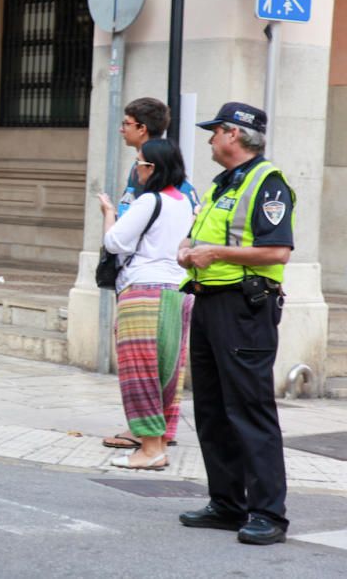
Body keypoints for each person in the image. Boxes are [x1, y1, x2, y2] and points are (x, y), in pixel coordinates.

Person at [176, 102, 294, 546]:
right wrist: (189, 248)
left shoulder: (268, 182)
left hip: (245, 308)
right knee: (211, 408)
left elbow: (278, 251)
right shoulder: (223, 184)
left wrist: (215, 254)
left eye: (215, 131)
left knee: (249, 409)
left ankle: (268, 513)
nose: (210, 139)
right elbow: (201, 235)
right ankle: (227, 504)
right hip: (208, 302)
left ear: (234, 135)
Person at [103, 97, 199, 452]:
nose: (122, 129)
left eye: (127, 123)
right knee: (168, 362)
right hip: (174, 284)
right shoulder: (181, 190)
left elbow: (119, 239)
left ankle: (147, 440)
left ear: (142, 129)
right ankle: (160, 431)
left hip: (145, 283)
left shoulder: (151, 185)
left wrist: (109, 215)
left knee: (141, 363)